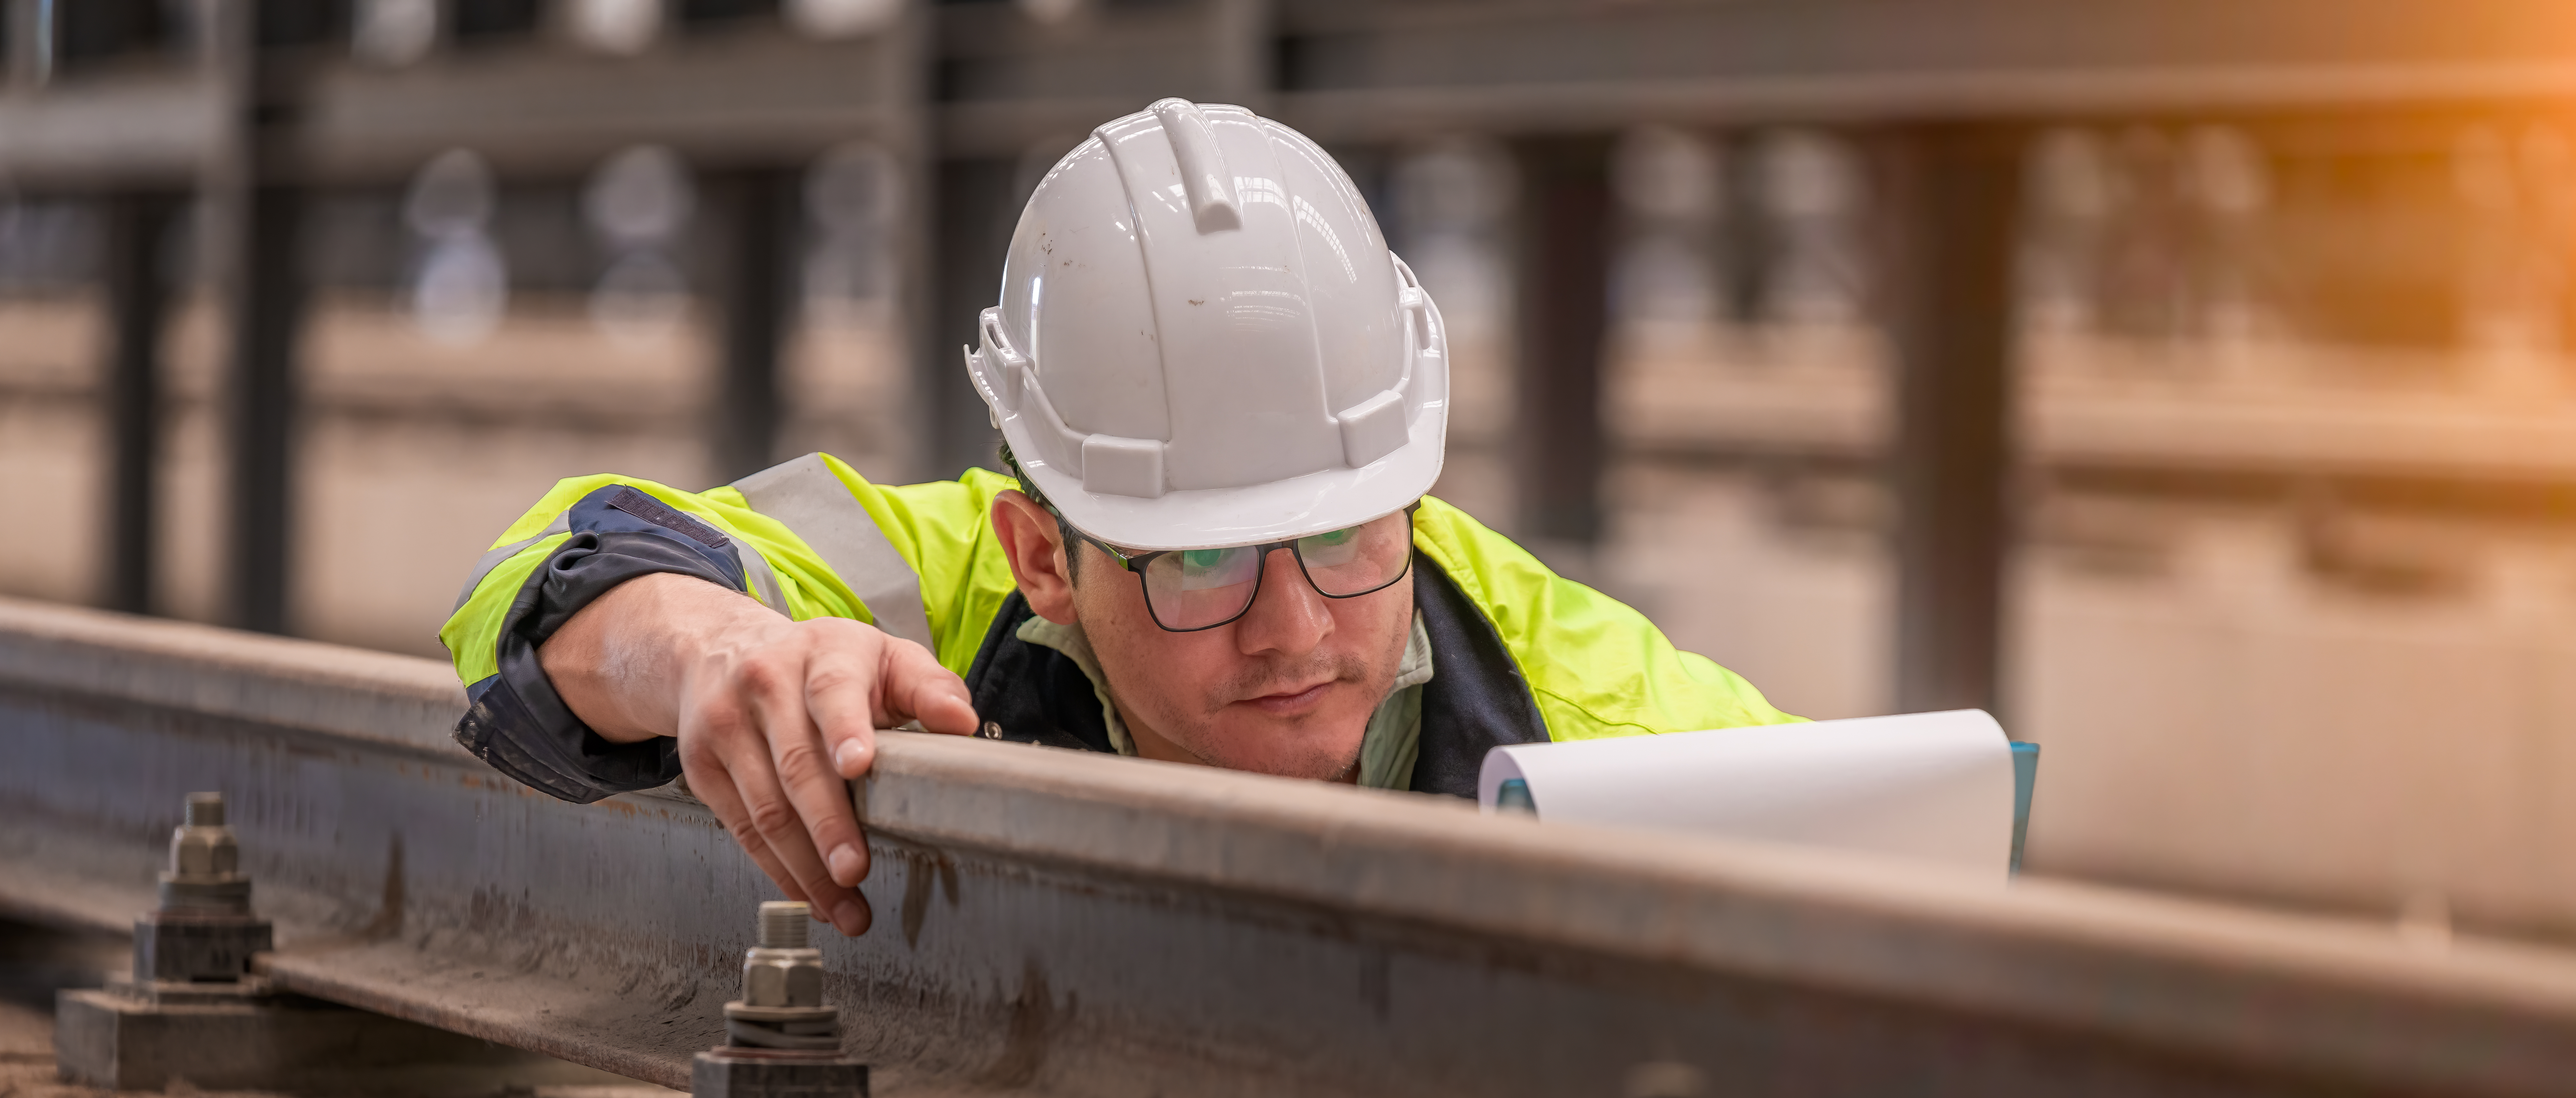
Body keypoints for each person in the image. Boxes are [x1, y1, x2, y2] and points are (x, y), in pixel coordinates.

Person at [438, 97, 1794, 938]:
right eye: (1201, 559)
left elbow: (1897, 881)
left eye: (1346, 535)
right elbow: (554, 568)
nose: (1295, 630)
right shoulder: (929, 592)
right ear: (1046, 558)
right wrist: (711, 653)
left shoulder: (1591, 713)